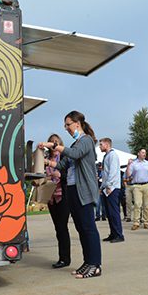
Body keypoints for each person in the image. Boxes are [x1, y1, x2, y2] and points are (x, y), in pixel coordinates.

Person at [40, 111, 102, 279]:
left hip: (84, 191)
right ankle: (87, 262)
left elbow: (74, 155)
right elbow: (61, 164)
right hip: (73, 190)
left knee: (88, 228)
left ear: (77, 124)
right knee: (81, 228)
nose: (66, 128)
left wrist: (53, 145)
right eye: (65, 125)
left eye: (68, 124)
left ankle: (95, 264)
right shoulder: (76, 144)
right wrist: (44, 161)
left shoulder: (86, 141)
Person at [44, 134, 71, 268]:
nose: (54, 145)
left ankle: (64, 259)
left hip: (63, 196)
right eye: (51, 143)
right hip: (51, 197)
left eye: (56, 142)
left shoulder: (65, 157)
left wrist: (61, 174)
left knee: (62, 227)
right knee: (58, 228)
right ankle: (63, 257)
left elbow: (71, 174)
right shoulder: (46, 159)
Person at [99, 138, 124, 243]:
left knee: (114, 212)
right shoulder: (106, 156)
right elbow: (105, 173)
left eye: (101, 144)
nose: (99, 146)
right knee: (109, 213)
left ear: (107, 144)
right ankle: (113, 233)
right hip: (106, 188)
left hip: (112, 188)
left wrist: (109, 186)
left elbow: (113, 172)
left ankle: (119, 235)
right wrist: (102, 187)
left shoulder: (112, 155)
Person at [127, 149, 148, 230]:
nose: (144, 154)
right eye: (142, 152)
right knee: (137, 204)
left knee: (146, 205)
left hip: (147, 184)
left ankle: (146, 221)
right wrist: (128, 165)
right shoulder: (134, 163)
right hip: (137, 185)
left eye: (145, 153)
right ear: (138, 153)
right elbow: (128, 174)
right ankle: (136, 222)